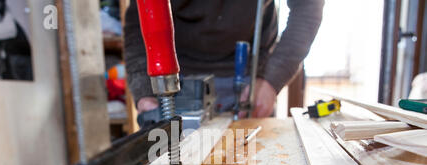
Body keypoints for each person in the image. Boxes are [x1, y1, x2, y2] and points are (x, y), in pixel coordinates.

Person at [124, 0, 324, 124]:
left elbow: (308, 7)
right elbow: (139, 18)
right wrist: (144, 91)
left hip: (252, 79)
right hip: (175, 78)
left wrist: (272, 79)